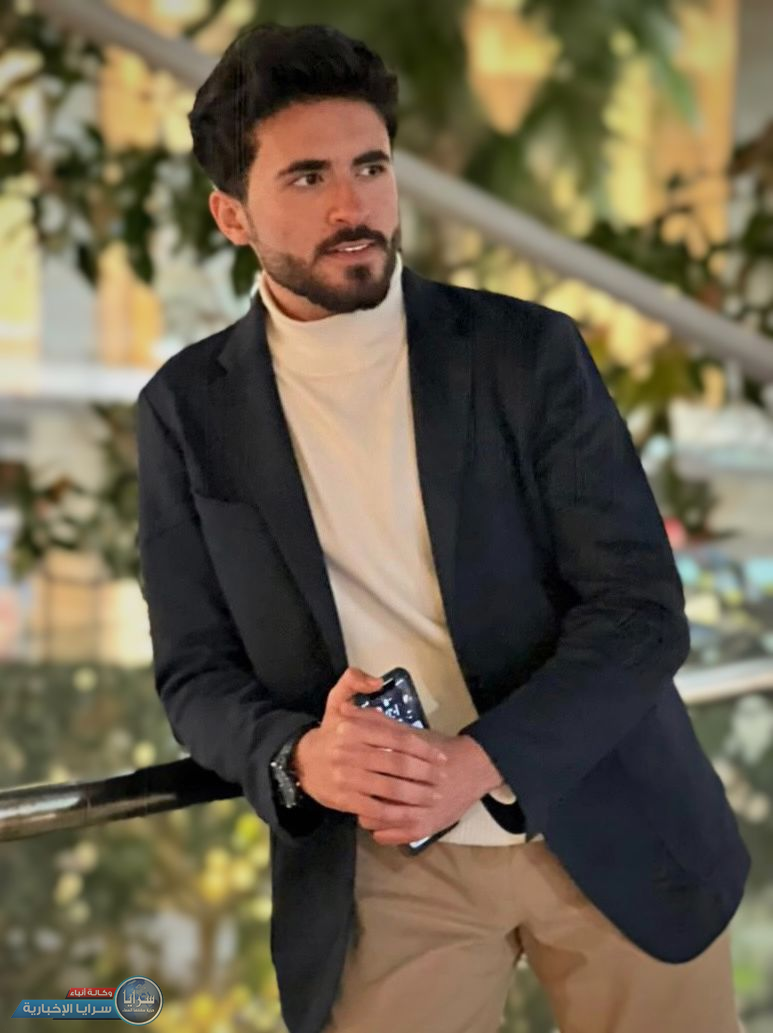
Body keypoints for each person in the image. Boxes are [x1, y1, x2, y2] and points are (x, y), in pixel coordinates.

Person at [134, 21, 750, 1033]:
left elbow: (639, 610)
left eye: (370, 167)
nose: (352, 206)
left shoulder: (524, 354)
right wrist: (300, 759)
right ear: (230, 214)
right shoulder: (184, 409)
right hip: (384, 873)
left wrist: (481, 760)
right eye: (306, 178)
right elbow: (195, 674)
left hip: (610, 816)